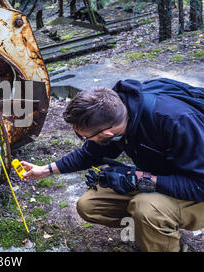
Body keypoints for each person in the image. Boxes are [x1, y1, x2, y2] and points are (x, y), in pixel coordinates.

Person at [21, 79, 204, 252]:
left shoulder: (175, 121)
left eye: (84, 137)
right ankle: (154, 232)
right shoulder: (116, 112)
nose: (83, 140)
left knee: (146, 208)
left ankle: (160, 232)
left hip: (198, 188)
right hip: (168, 177)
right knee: (90, 205)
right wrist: (45, 170)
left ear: (108, 133)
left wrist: (141, 179)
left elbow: (200, 185)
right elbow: (90, 154)